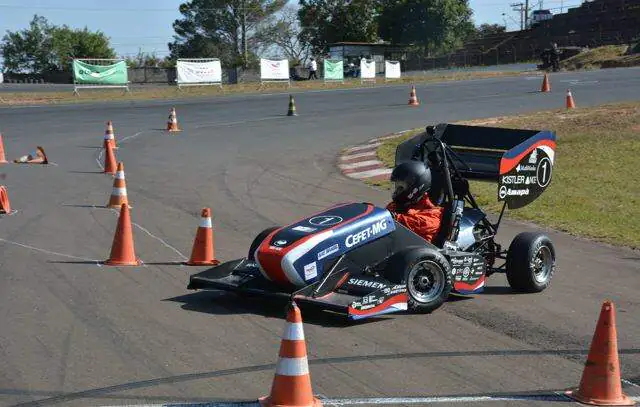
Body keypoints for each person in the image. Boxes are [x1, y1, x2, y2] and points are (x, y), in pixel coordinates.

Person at [386, 160, 444, 243]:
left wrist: (391, 218)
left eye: (401, 187)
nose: (396, 191)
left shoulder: (433, 214)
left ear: (415, 188)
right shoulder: (394, 206)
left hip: (414, 252)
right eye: (396, 187)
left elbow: (419, 224)